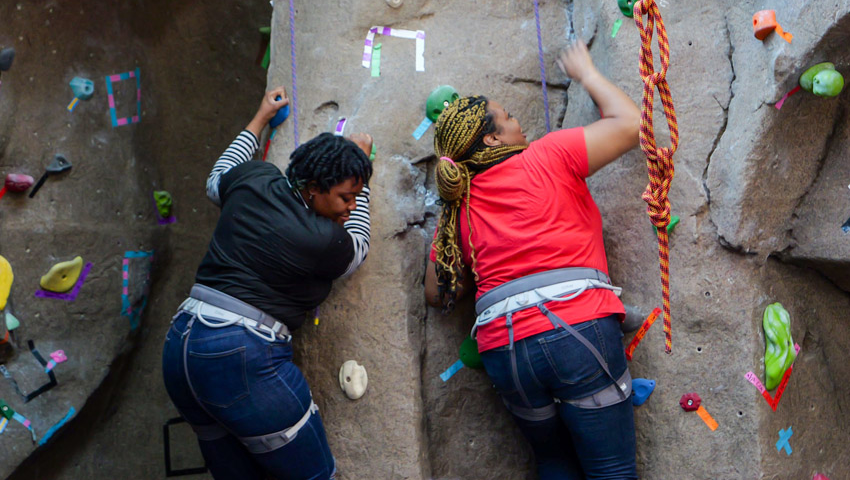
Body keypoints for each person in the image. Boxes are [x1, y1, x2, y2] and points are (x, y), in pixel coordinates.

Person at [424, 41, 641, 479]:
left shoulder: (456, 210)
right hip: (576, 329)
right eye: (509, 118)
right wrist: (588, 74)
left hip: (504, 349)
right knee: (611, 469)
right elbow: (632, 123)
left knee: (554, 462)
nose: (519, 123)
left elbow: (435, 292)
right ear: (492, 138)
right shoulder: (547, 155)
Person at [162, 86, 373, 480]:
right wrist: (361, 169)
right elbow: (357, 249)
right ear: (314, 189)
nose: (349, 206)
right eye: (346, 196)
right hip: (239, 354)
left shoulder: (255, 178)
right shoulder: (323, 237)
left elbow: (215, 181)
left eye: (354, 198)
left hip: (181, 348)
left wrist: (260, 119)